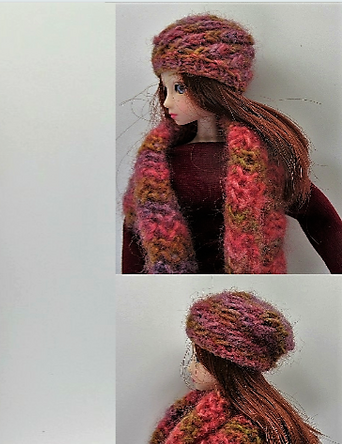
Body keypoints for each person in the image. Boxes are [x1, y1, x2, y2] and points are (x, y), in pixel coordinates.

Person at [122, 14, 342, 273]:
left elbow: (320, 219)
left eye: (180, 88)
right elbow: (134, 235)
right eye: (165, 88)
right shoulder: (154, 165)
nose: (168, 101)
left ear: (212, 87)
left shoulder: (262, 163)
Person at [143, 291, 326, 444]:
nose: (191, 368)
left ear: (225, 366)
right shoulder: (192, 412)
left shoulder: (244, 441)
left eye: (200, 361)